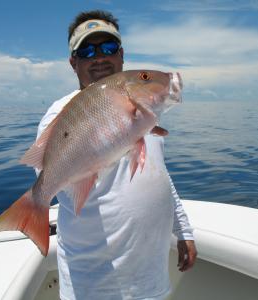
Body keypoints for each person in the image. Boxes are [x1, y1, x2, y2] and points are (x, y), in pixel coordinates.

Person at [37, 10, 197, 300]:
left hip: (151, 279)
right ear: (74, 63)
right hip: (95, 286)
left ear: (121, 55)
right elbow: (54, 183)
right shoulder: (58, 115)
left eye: (108, 48)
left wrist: (183, 231)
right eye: (86, 50)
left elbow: (159, 175)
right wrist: (107, 142)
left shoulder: (145, 115)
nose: (99, 57)